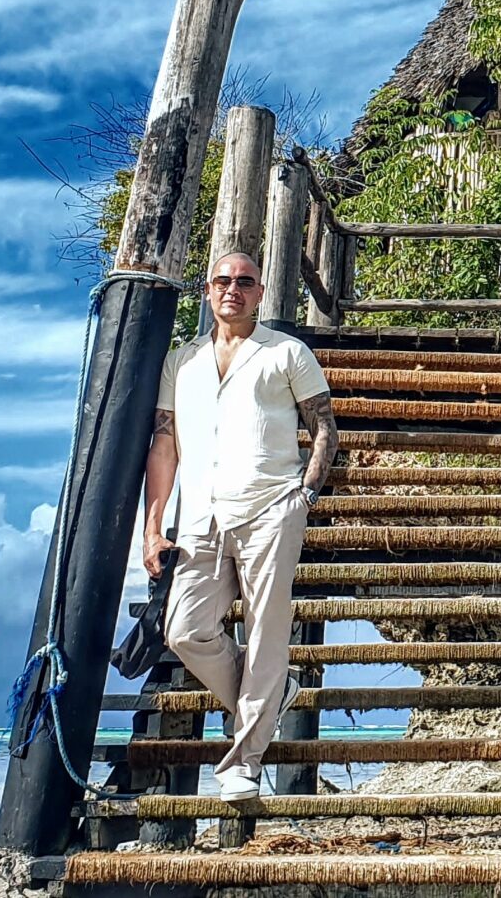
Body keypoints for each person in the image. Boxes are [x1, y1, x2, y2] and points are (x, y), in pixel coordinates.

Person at [141, 250, 337, 801]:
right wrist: (153, 527)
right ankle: (271, 699)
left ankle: (244, 761)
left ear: (259, 291)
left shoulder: (287, 352)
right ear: (208, 291)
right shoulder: (182, 362)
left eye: (245, 282)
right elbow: (165, 443)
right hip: (200, 514)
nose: (233, 289)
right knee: (185, 630)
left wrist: (303, 494)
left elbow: (323, 425)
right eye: (224, 281)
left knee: (267, 633)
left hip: (272, 506)